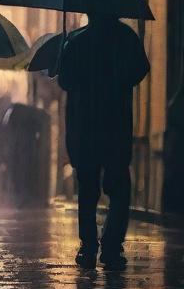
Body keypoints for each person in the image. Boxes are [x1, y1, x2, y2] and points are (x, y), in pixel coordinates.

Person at [57, 14, 149, 270]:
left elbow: (64, 81)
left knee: (87, 189)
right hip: (116, 125)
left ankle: (88, 247)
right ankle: (111, 245)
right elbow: (140, 70)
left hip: (86, 128)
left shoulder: (77, 42)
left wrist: (65, 50)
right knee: (119, 187)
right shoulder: (126, 39)